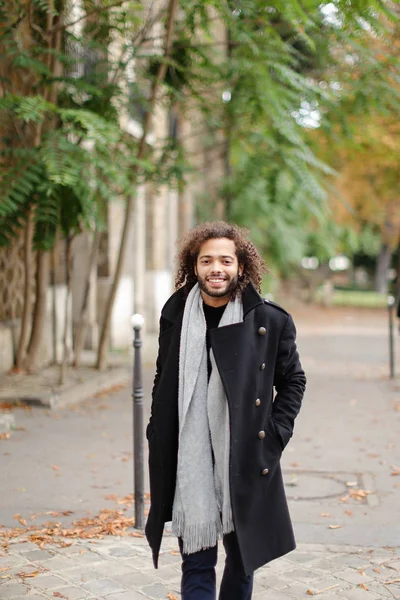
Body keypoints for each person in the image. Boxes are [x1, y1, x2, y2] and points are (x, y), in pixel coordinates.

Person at [145, 221, 306, 600]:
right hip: (189, 456)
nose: (216, 268)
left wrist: (275, 435)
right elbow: (162, 373)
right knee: (197, 563)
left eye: (225, 260)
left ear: (241, 266)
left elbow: (293, 382)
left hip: (245, 455)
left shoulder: (269, 320)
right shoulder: (176, 313)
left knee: (241, 560)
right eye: (206, 260)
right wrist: (157, 428)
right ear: (194, 266)